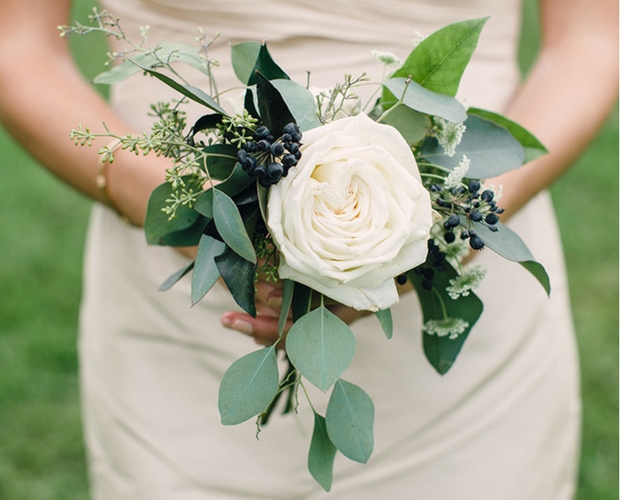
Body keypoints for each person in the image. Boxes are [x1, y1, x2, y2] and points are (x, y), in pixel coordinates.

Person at [0, 0, 616, 499]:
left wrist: (445, 224)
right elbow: (18, 44)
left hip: (461, 287)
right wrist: (191, 210)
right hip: (179, 310)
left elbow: (589, 40)